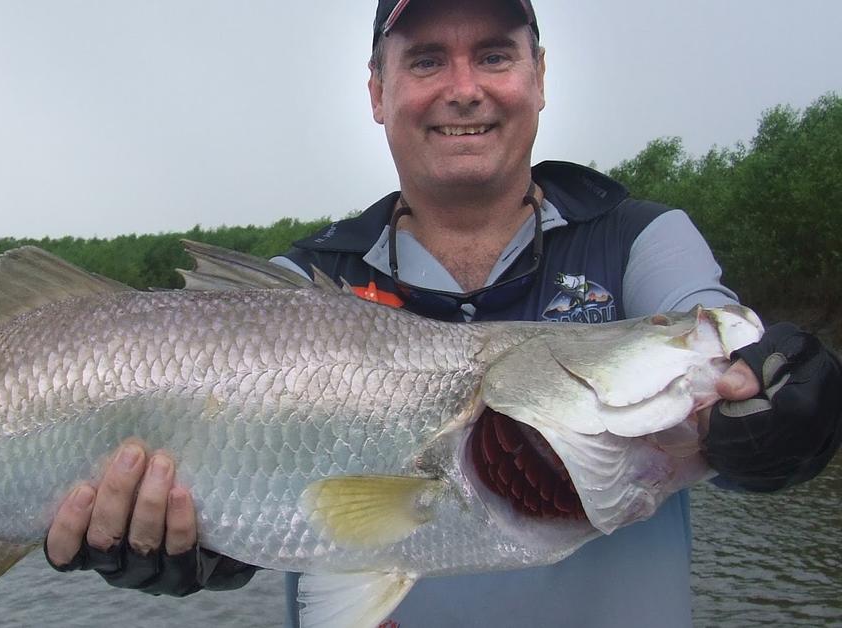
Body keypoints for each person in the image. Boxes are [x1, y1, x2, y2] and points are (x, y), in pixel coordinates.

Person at [44, 1, 842, 625]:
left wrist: (786, 407)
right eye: (427, 59)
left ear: (538, 75)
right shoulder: (302, 283)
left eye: (494, 54)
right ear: (378, 92)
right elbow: (257, 485)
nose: (465, 87)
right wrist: (213, 548)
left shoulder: (641, 239)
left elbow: (726, 343)